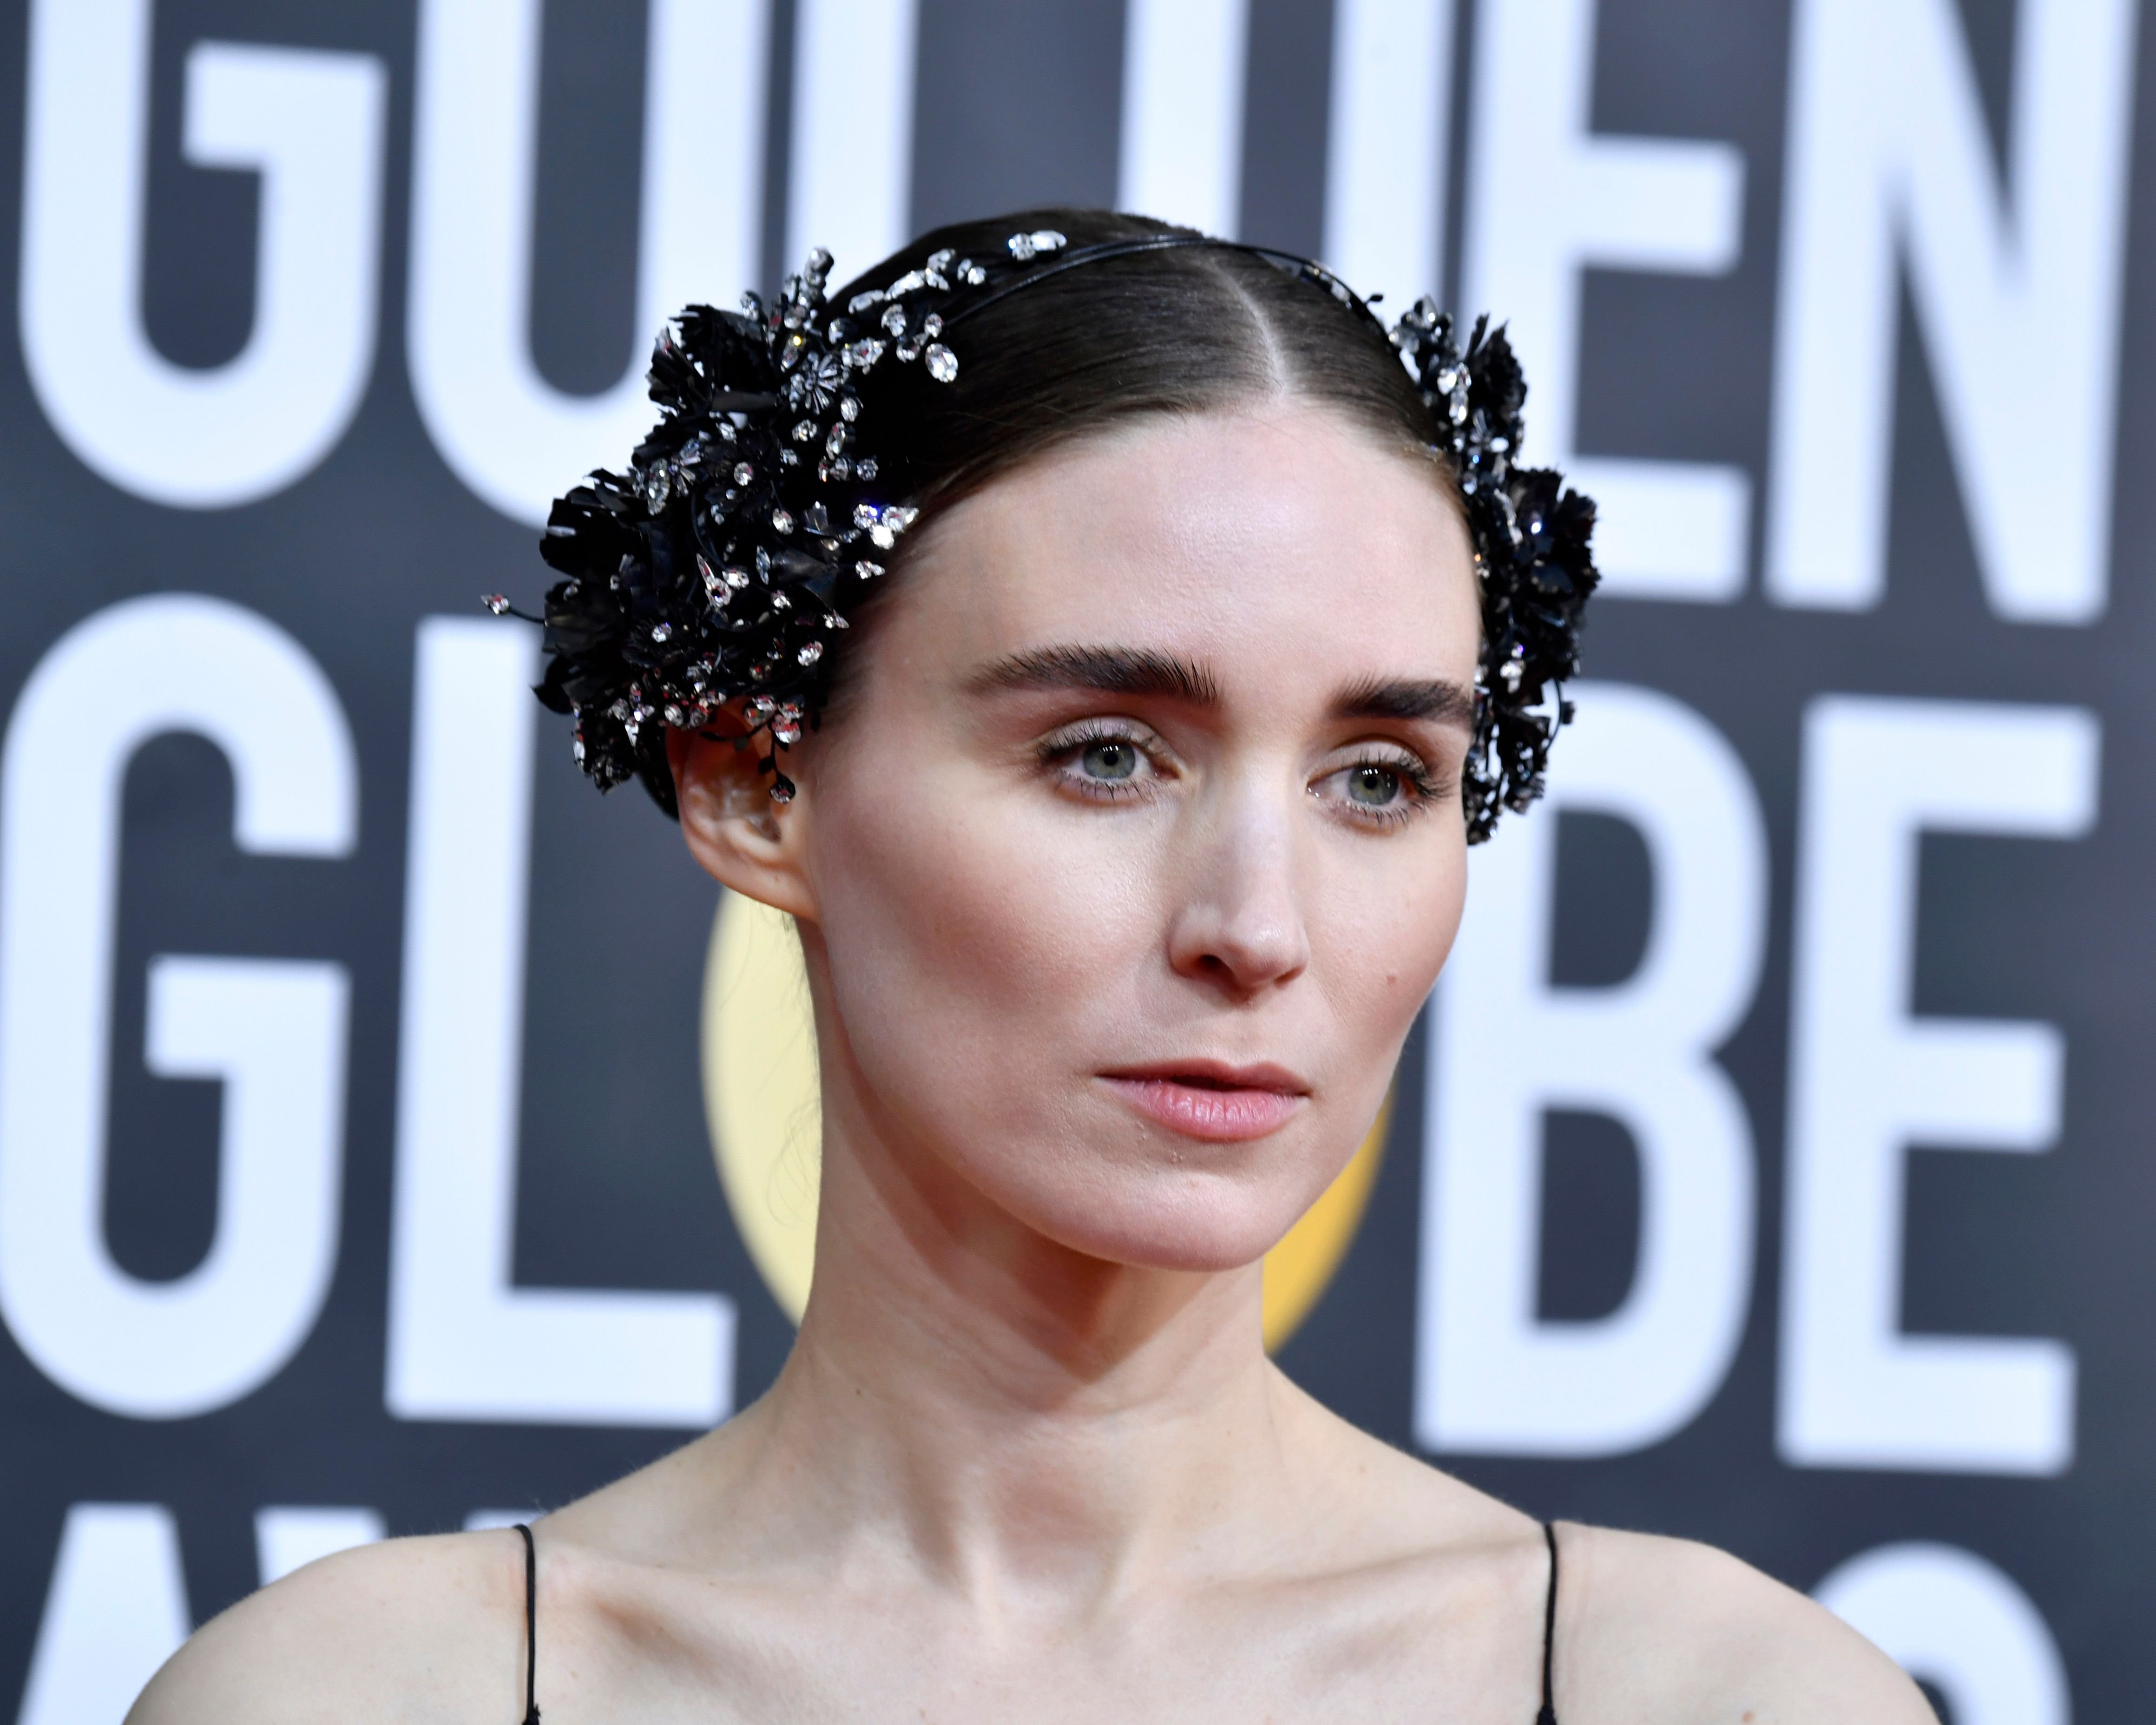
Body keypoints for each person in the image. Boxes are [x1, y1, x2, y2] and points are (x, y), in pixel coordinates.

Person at [132, 210, 1928, 1723]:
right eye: (1105, 755)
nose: (1261, 924)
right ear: (757, 782)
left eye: (1377, 780)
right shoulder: (364, 1696)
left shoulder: (1718, 1696)